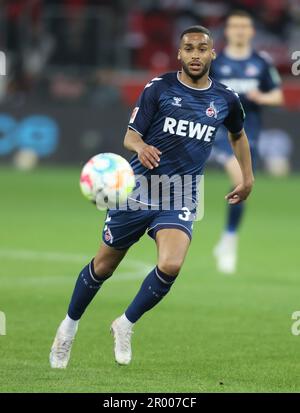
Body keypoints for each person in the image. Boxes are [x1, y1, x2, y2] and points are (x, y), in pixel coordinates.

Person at [49, 25, 254, 368]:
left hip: (181, 194)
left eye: (202, 49)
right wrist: (142, 146)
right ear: (179, 53)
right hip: (138, 190)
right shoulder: (159, 88)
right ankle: (68, 327)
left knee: (171, 264)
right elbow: (130, 137)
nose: (195, 55)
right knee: (103, 266)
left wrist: (247, 177)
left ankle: (125, 324)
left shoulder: (225, 99)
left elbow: (238, 135)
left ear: (212, 54)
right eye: (188, 48)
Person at [210, 10, 283, 274]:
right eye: (235, 26)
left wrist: (259, 97)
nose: (240, 30)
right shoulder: (215, 62)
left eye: (244, 26)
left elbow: (277, 96)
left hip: (247, 133)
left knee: (240, 184)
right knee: (240, 179)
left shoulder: (261, 62)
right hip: (218, 132)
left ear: (251, 31)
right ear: (227, 31)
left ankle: (228, 238)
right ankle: (229, 241)